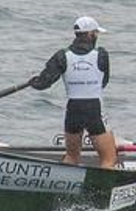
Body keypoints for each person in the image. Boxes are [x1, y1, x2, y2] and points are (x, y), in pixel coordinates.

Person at [29, 16, 117, 169]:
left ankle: (62, 186)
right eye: (96, 33)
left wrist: (33, 82)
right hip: (94, 108)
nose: (97, 36)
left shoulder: (62, 56)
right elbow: (104, 82)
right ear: (90, 34)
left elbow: (43, 83)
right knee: (109, 159)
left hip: (73, 109)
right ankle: (104, 191)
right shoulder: (102, 54)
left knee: (71, 157)